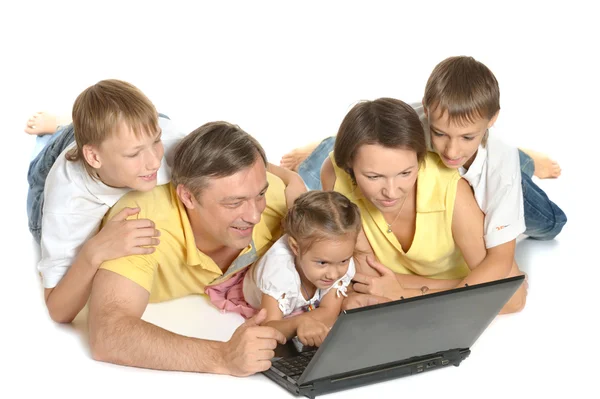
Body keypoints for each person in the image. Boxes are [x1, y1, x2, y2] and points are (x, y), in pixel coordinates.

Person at [25, 80, 306, 324]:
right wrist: (93, 251)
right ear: (95, 157)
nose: (153, 161)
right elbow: (59, 310)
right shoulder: (69, 201)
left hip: (127, 138)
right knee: (56, 146)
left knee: (140, 136)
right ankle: (61, 127)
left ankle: (99, 130)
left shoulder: (169, 145)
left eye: (155, 141)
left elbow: (237, 167)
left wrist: (292, 182)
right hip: (62, 154)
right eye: (135, 154)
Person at [281, 56, 567, 245]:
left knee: (551, 224)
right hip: (386, 136)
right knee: (341, 158)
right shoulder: (417, 119)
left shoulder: (498, 167)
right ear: (428, 112)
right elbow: (372, 129)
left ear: (492, 121)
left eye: (467, 136)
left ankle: (524, 159)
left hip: (494, 163)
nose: (451, 150)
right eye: (440, 133)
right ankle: (332, 139)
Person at [88, 121, 291, 377]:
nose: (254, 215)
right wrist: (223, 356)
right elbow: (108, 334)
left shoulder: (274, 198)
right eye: (235, 203)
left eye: (260, 194)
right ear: (188, 197)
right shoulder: (141, 224)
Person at [319, 98, 527, 314]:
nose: (391, 192)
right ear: (350, 166)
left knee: (548, 220)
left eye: (405, 173)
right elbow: (366, 281)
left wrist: (404, 293)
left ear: (420, 159)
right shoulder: (335, 175)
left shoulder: (450, 188)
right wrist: (457, 289)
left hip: (501, 179)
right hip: (458, 288)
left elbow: (513, 298)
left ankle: (528, 162)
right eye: (374, 176)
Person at [243, 190, 360, 347]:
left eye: (344, 261)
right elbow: (268, 326)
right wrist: (297, 324)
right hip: (255, 292)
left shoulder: (337, 256)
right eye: (322, 263)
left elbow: (330, 312)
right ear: (295, 248)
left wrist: (309, 320)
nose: (333, 274)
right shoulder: (278, 274)